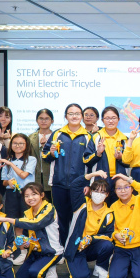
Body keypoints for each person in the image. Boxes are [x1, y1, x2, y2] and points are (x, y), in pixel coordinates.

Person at [0, 182, 63, 278]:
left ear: (42, 195)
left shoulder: (49, 208)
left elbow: (36, 224)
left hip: (51, 251)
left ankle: (50, 266)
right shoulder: (28, 213)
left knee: (35, 273)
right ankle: (43, 265)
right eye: (27, 196)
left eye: (34, 194)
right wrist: (27, 242)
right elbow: (29, 233)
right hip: (35, 252)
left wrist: (7, 219)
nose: (30, 198)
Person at [42, 104, 92, 246]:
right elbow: (45, 155)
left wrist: (88, 184)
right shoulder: (57, 134)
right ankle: (62, 247)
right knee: (61, 219)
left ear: (82, 116)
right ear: (65, 116)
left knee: (78, 218)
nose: (74, 116)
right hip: (59, 184)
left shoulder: (88, 137)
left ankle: (75, 248)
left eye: (77, 113)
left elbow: (91, 163)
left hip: (79, 186)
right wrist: (51, 153)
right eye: (71, 114)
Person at [64, 171, 114, 278]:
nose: (98, 194)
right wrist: (93, 174)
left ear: (107, 195)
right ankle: (74, 262)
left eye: (102, 192)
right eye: (96, 190)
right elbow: (75, 184)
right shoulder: (81, 204)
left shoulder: (109, 213)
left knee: (108, 245)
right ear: (90, 192)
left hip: (92, 246)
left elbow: (109, 235)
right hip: (76, 248)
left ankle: (100, 266)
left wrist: (92, 238)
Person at [0, 133, 36, 265]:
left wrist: (10, 163)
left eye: (21, 143)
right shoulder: (7, 160)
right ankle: (21, 251)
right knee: (15, 222)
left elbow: (23, 175)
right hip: (11, 194)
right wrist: (8, 182)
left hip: (27, 194)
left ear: (26, 146)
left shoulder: (31, 159)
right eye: (15, 143)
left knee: (29, 221)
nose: (18, 146)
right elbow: (3, 181)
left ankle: (33, 248)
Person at [108, 174, 140, 278]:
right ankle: (126, 264)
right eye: (119, 188)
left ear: (132, 188)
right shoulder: (113, 207)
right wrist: (115, 235)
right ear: (115, 191)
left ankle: (137, 263)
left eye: (126, 187)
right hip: (121, 247)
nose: (123, 191)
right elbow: (111, 228)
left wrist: (128, 179)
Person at [83, 106, 128, 203]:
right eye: (107, 118)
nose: (111, 121)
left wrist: (121, 158)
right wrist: (98, 153)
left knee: (119, 211)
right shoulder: (96, 137)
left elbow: (130, 162)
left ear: (118, 119)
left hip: (120, 183)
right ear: (102, 120)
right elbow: (86, 160)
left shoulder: (125, 139)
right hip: (100, 181)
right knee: (99, 210)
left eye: (113, 118)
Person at [28, 109, 53, 202]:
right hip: (35, 175)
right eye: (41, 118)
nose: (43, 121)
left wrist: (45, 147)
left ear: (52, 121)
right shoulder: (30, 137)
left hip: (51, 175)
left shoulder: (57, 136)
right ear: (36, 120)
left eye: (47, 119)